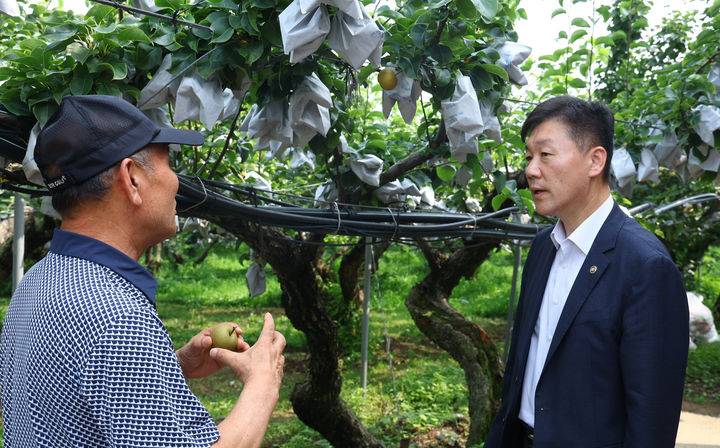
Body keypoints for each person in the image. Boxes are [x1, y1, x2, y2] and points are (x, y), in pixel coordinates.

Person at [0, 95, 286, 447]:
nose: (177, 183)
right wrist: (263, 382)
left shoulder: (36, 281)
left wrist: (170, 364)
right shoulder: (117, 318)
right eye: (168, 165)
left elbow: (71, 402)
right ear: (132, 178)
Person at [484, 96, 689, 448]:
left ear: (595, 160)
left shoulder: (645, 267)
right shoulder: (543, 247)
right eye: (529, 157)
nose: (531, 170)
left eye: (545, 155)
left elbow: (651, 416)